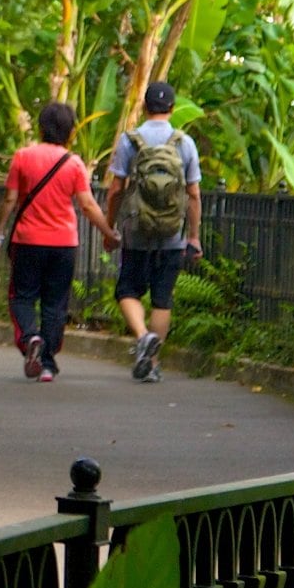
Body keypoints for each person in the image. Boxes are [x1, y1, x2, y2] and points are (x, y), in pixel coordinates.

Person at [0, 101, 117, 383]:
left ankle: (31, 338)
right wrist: (108, 232)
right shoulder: (73, 163)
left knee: (22, 297)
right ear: (70, 132)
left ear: (40, 127)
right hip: (64, 245)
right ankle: (47, 364)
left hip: (28, 242)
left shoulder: (22, 157)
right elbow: (87, 205)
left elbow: (10, 199)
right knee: (55, 304)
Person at [105, 80, 202, 383]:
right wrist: (194, 236)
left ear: (145, 107)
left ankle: (142, 336)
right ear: (172, 108)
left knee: (127, 291)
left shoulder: (129, 140)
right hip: (172, 235)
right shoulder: (184, 142)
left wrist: (109, 225)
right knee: (162, 298)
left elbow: (116, 189)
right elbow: (194, 194)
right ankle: (154, 363)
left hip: (136, 232)